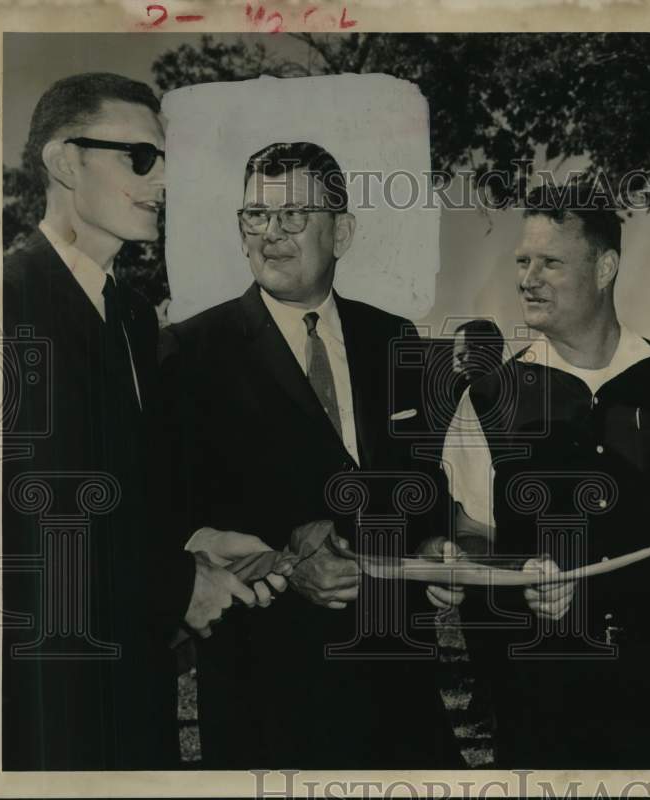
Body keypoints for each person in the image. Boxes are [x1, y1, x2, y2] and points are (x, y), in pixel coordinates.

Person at [2, 73, 285, 770]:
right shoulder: (4, 301)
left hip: (134, 688)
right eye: (139, 158)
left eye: (167, 162)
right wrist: (181, 586)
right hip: (45, 695)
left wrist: (199, 537)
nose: (162, 181)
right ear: (66, 163)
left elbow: (121, 486)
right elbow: (37, 519)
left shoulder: (130, 315)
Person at [159, 141, 464, 768]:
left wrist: (436, 549)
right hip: (266, 697)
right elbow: (170, 519)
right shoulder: (188, 353)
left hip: (400, 685)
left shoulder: (395, 338)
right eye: (255, 216)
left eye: (294, 215)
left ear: (342, 230)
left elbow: (420, 482)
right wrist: (288, 562)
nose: (271, 234)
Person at [440, 183, 650, 768]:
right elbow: (468, 530)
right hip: (544, 701)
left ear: (605, 267)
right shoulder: (486, 400)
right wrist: (515, 569)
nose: (529, 278)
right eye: (523, 262)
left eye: (551, 262)